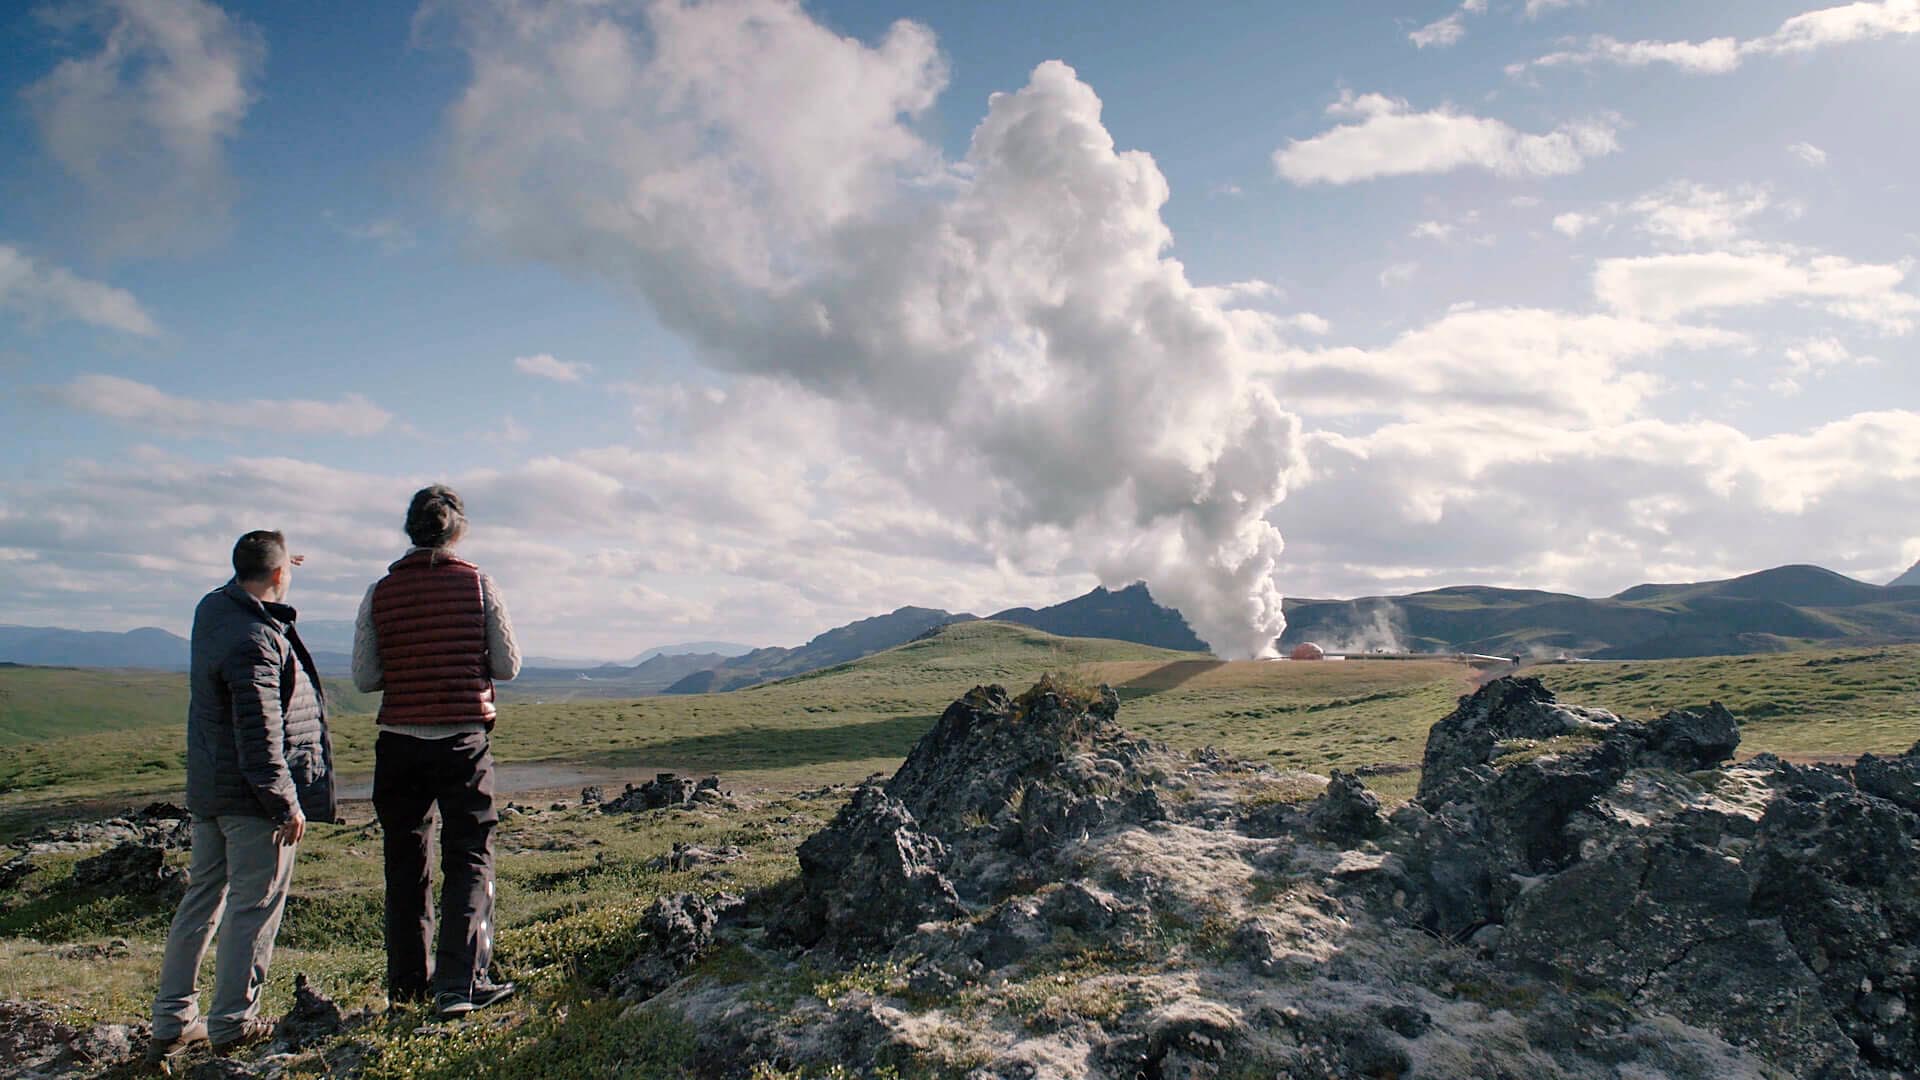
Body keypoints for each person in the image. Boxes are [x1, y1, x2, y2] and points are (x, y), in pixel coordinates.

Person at [148, 532, 336, 1066]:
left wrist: (277, 561)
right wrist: (286, 803)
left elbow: (254, 573)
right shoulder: (256, 638)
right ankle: (232, 1023)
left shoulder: (213, 610)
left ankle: (172, 1020)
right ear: (277, 576)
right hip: (254, 801)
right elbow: (259, 734)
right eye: (285, 570)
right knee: (252, 909)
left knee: (200, 902)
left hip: (211, 792)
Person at [353, 485, 521, 1017]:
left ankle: (406, 988)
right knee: (470, 855)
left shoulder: (381, 591)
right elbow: (508, 665)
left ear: (410, 529)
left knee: (405, 863)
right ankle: (460, 983)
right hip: (463, 742)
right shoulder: (477, 584)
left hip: (399, 741)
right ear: (458, 529)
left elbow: (365, 677)